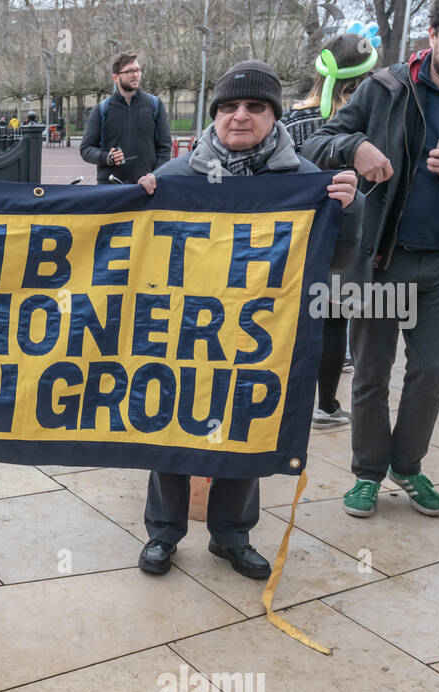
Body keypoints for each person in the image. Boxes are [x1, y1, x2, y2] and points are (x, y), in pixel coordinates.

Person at [136, 59, 363, 579]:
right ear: (214, 115)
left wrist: (349, 211)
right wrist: (134, 201)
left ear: (274, 115)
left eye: (255, 106)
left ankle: (231, 536)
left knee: (245, 430)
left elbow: (339, 260)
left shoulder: (308, 182)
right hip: (182, 335)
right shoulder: (174, 178)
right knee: (167, 428)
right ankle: (163, 533)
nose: (240, 116)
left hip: (258, 339)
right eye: (228, 106)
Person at [304, 0, 439, 519]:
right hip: (382, 260)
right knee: (372, 374)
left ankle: (407, 464)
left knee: (429, 373)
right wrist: (356, 147)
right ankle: (367, 473)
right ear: (432, 33)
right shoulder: (388, 87)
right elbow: (319, 141)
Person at [285, 30, 378, 429]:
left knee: (292, 321)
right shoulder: (366, 122)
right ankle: (326, 406)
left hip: (295, 236)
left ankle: (287, 401)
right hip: (345, 236)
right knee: (333, 320)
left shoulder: (291, 118)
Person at [80, 52, 171, 185]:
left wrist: (154, 175)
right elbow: (86, 148)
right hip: (110, 188)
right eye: (129, 71)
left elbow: (164, 148)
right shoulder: (101, 109)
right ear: (115, 77)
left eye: (137, 70)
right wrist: (107, 157)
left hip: (145, 189)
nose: (135, 75)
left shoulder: (154, 105)